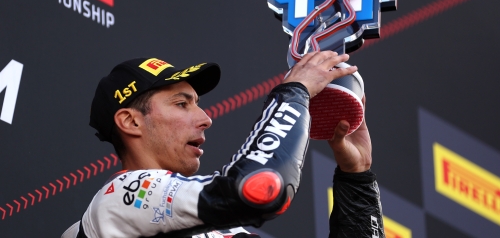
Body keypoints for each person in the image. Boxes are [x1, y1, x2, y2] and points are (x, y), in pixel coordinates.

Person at [62, 52, 384, 238]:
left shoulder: (218, 229)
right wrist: (293, 93)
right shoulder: (121, 198)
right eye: (181, 104)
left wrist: (356, 175)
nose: (205, 118)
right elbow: (259, 190)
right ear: (131, 122)